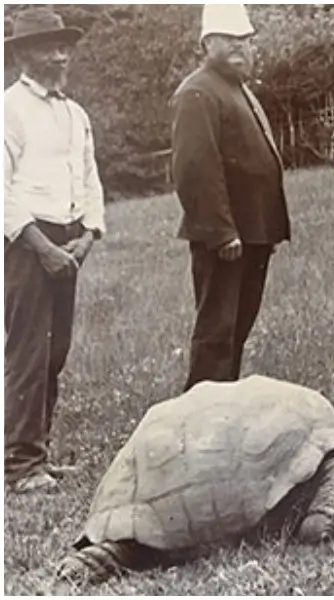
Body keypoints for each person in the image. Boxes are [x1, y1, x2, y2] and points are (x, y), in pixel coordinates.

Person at [4, 7, 106, 493]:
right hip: (26, 243)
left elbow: (89, 178)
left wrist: (88, 235)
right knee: (28, 351)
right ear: (22, 53)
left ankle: (37, 453)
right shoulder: (8, 110)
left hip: (69, 239)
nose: (61, 54)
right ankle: (20, 465)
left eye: (65, 45)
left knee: (55, 350)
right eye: (49, 45)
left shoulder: (74, 112)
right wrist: (41, 246)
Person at [170, 4, 291, 392]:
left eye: (245, 40)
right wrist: (222, 232)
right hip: (226, 238)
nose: (240, 47)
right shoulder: (197, 92)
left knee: (236, 331)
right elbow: (195, 169)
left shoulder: (239, 90)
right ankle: (200, 421)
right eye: (229, 39)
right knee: (216, 336)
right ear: (208, 44)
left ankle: (223, 412)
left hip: (254, 232)